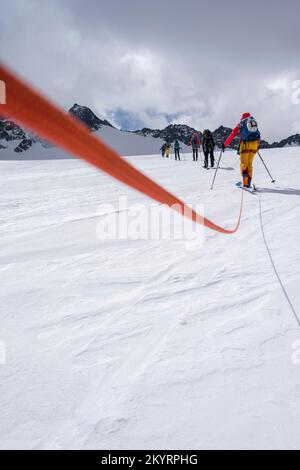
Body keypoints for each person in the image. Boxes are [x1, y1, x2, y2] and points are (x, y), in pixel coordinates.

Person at [222, 113, 261, 188]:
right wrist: (257, 145)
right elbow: (258, 134)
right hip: (254, 144)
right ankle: (248, 182)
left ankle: (246, 182)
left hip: (245, 145)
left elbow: (232, 134)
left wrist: (225, 144)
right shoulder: (253, 122)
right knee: (249, 163)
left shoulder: (241, 124)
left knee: (244, 163)